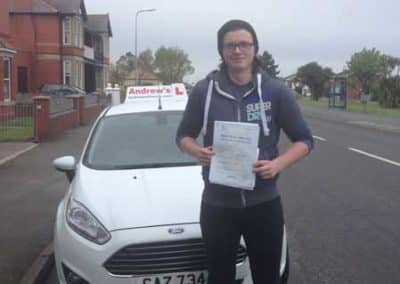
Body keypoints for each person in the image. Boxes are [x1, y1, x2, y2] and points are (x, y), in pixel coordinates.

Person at [176, 19, 314, 284]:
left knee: (267, 277)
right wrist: (197, 152)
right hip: (217, 205)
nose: (237, 50)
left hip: (263, 204)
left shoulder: (275, 91)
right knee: (220, 277)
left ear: (254, 49)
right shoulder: (204, 91)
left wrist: (278, 164)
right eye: (230, 45)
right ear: (221, 51)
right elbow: (182, 136)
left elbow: (304, 140)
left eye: (244, 44)